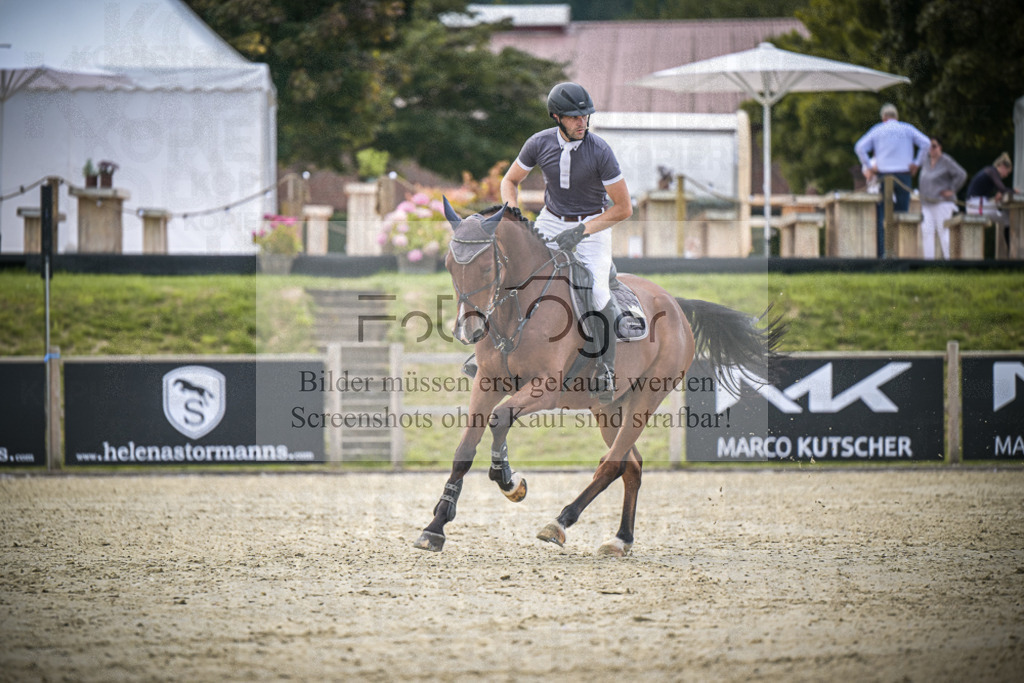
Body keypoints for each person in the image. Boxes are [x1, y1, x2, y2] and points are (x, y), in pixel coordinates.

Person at [500, 82, 633, 403]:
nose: (582, 123)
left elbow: (624, 208)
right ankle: (492, 355)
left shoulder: (600, 151)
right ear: (557, 117)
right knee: (513, 272)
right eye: (574, 118)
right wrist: (514, 213)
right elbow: (509, 181)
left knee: (597, 290)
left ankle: (605, 368)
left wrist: (583, 231)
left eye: (586, 116)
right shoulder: (538, 143)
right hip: (550, 219)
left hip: (594, 225)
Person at [854, 103, 931, 257]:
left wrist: (869, 166)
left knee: (884, 215)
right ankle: (902, 251)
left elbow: (859, 147)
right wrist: (916, 163)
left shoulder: (878, 130)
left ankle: (885, 252)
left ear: (884, 118)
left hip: (884, 175)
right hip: (904, 174)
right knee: (902, 213)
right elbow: (926, 143)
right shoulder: (907, 129)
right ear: (897, 116)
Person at [917, 137, 967, 260]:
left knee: (943, 232)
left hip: (942, 202)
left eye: (934, 146)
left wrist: (952, 189)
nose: (931, 149)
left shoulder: (946, 161)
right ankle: (929, 262)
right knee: (927, 232)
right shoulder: (926, 161)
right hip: (927, 203)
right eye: (929, 146)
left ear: (940, 147)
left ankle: (949, 260)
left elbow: (962, 174)